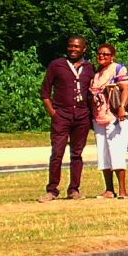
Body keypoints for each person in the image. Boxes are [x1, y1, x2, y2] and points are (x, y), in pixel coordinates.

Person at [39, 35, 95, 200]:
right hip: (61, 114)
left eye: (77, 47)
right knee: (57, 153)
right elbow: (45, 92)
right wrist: (53, 113)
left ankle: (74, 189)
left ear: (84, 49)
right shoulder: (57, 65)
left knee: (77, 154)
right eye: (70, 46)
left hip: (82, 115)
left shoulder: (90, 68)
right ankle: (52, 190)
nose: (73, 49)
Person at [89, 43, 128, 199]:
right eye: (100, 53)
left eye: (106, 54)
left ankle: (122, 190)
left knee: (116, 152)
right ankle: (109, 189)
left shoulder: (118, 69)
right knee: (103, 154)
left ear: (112, 56)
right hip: (99, 117)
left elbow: (126, 88)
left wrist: (122, 106)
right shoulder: (96, 73)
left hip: (116, 118)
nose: (102, 56)